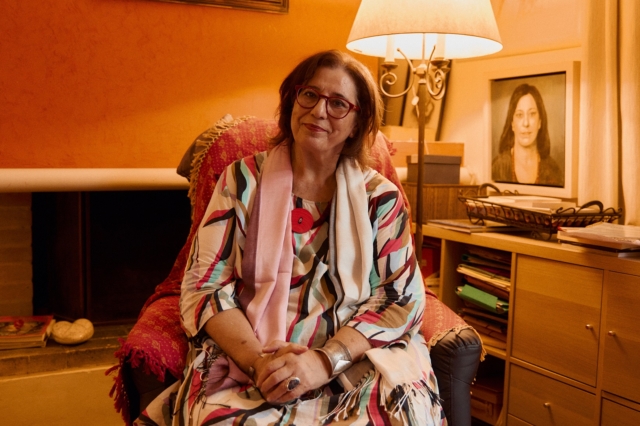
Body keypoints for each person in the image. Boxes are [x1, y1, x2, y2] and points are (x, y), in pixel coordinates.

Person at [137, 50, 445, 426]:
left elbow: (400, 297)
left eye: (338, 103)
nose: (318, 111)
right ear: (292, 101)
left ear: (357, 123)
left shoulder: (380, 198)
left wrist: (324, 361)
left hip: (355, 355)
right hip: (252, 353)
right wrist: (259, 364)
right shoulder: (240, 181)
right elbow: (206, 286)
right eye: (310, 94)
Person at [492, 83, 563, 186]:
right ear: (512, 124)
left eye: (532, 114)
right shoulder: (498, 167)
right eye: (519, 115)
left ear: (540, 122)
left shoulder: (553, 170)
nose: (526, 123)